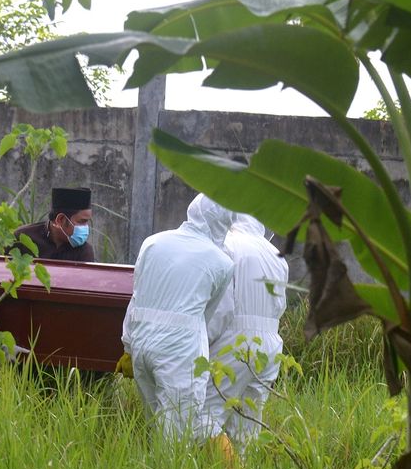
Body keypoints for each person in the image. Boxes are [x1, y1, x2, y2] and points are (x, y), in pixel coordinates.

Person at [121, 194, 233, 442]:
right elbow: (207, 315)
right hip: (180, 354)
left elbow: (137, 296)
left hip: (142, 345)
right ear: (225, 222)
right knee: (175, 438)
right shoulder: (222, 262)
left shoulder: (152, 242)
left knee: (155, 424)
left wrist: (128, 344)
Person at [203, 213, 289, 452]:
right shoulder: (276, 255)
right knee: (246, 426)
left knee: (204, 417)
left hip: (234, 341)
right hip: (270, 346)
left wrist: (201, 343)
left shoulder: (226, 246)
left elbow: (221, 308)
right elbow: (280, 307)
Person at [11, 187, 94, 261]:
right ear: (60, 220)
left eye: (87, 222)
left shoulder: (84, 251)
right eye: (81, 222)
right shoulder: (22, 239)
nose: (85, 227)